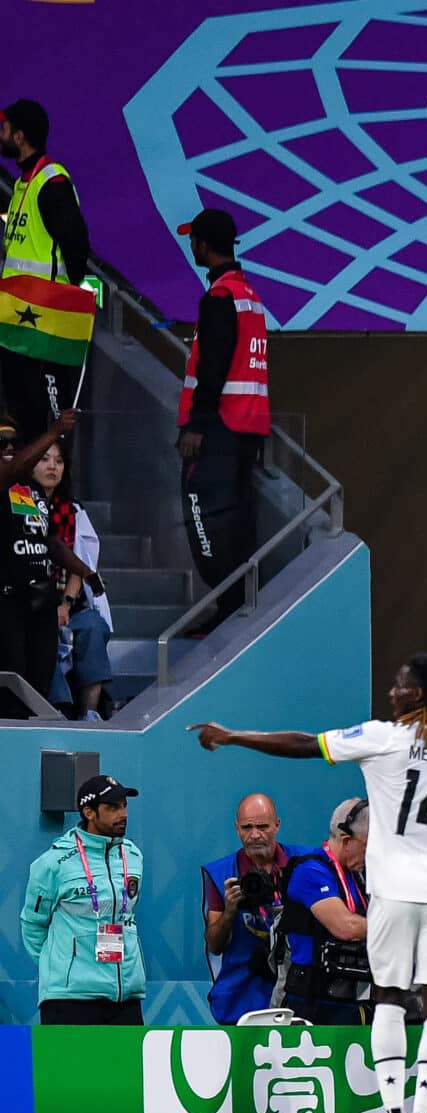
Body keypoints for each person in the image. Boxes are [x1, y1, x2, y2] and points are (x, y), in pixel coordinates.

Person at [189, 652, 427, 1113]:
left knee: (388, 1000)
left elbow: (303, 745)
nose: (391, 695)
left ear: (419, 694)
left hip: (394, 896)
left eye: (400, 688)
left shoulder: (385, 737)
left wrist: (234, 736)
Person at [175, 209, 270, 622]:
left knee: (206, 517)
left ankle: (228, 607)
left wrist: (196, 425)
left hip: (219, 430)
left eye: (192, 239)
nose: (190, 245)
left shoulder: (219, 298)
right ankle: (237, 605)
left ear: (203, 245)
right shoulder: (248, 295)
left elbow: (212, 366)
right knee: (236, 520)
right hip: (248, 426)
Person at [0, 100, 90, 445]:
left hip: (44, 323)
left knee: (50, 423)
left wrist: (62, 297)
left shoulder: (51, 181)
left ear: (19, 136)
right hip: (18, 323)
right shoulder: (25, 181)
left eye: (5, 130)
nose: (2, 136)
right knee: (21, 416)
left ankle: (54, 497)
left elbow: (76, 243)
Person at [20, 775, 145, 1023]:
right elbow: (33, 926)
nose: (123, 814)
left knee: (124, 1064)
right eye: (112, 807)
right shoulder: (54, 862)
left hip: (126, 997)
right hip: (70, 1000)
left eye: (124, 805)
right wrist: (64, 966)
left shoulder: (133, 856)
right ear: (89, 812)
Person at [0, 409, 96, 716]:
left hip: (40, 601)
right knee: (12, 681)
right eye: (1, 442)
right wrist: (55, 431)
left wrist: (84, 571)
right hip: (7, 601)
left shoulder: (30, 491)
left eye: (14, 442)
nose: (9, 448)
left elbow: (50, 540)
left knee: (38, 683)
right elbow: (10, 472)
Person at [199, 792, 312, 1024]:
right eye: (247, 827)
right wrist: (230, 910)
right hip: (242, 997)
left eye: (263, 826)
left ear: (277, 825)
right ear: (236, 828)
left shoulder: (306, 864)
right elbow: (214, 945)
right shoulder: (221, 873)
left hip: (299, 991)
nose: (255, 835)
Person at [31, 433, 112, 719]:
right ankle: (58, 711)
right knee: (42, 632)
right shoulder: (19, 504)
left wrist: (66, 603)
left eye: (59, 460)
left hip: (67, 601)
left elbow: (80, 565)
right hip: (32, 603)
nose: (52, 466)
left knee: (91, 625)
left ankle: (90, 712)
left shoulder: (72, 510)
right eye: (44, 459)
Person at [274, 798, 372, 1025]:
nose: (373, 855)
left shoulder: (358, 875)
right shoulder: (310, 871)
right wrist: (402, 928)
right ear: (347, 841)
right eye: (368, 847)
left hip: (350, 1002)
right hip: (309, 1006)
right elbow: (346, 928)